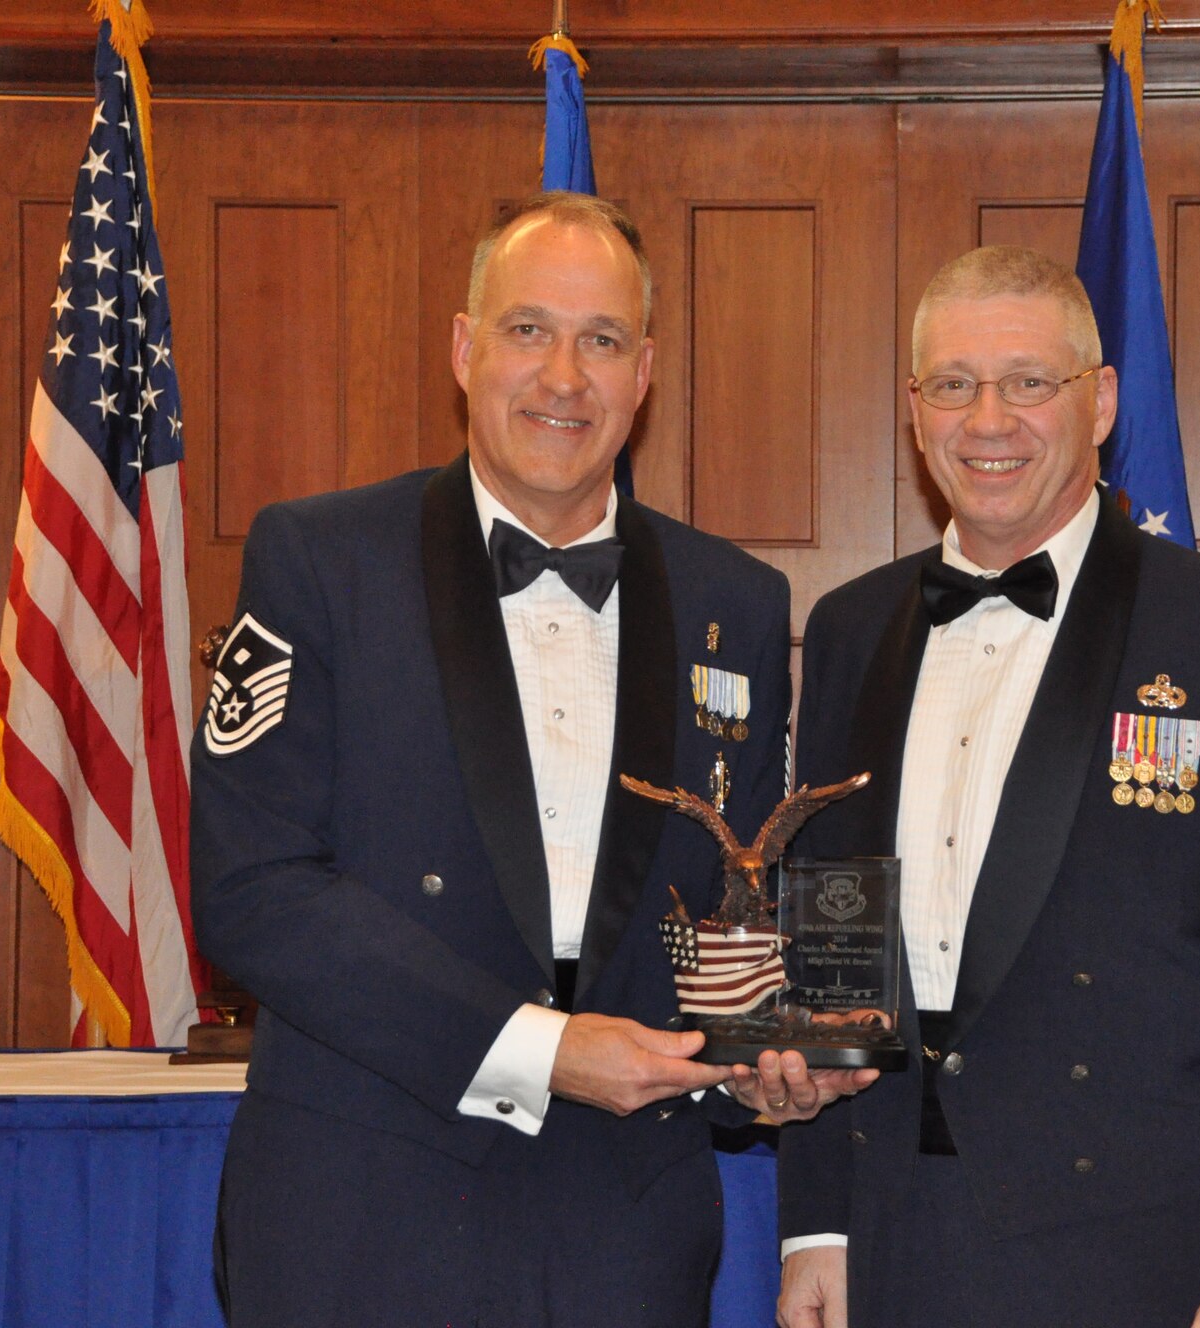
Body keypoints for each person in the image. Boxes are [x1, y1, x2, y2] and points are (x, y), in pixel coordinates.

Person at [192, 192, 871, 1328]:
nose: (564, 376)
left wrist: (774, 1057)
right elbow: (252, 891)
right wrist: (543, 1050)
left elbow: (734, 899)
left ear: (643, 371)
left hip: (628, 1233)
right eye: (527, 330)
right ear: (463, 349)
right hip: (362, 1221)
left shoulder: (734, 601)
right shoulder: (318, 559)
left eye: (601, 339)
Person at [776, 246, 1200, 1328]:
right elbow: (833, 936)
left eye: (1028, 382)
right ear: (913, 409)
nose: (989, 419)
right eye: (953, 384)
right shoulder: (846, 630)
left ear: (1100, 401)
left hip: (1151, 1254)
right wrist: (817, 1219)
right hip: (890, 1241)